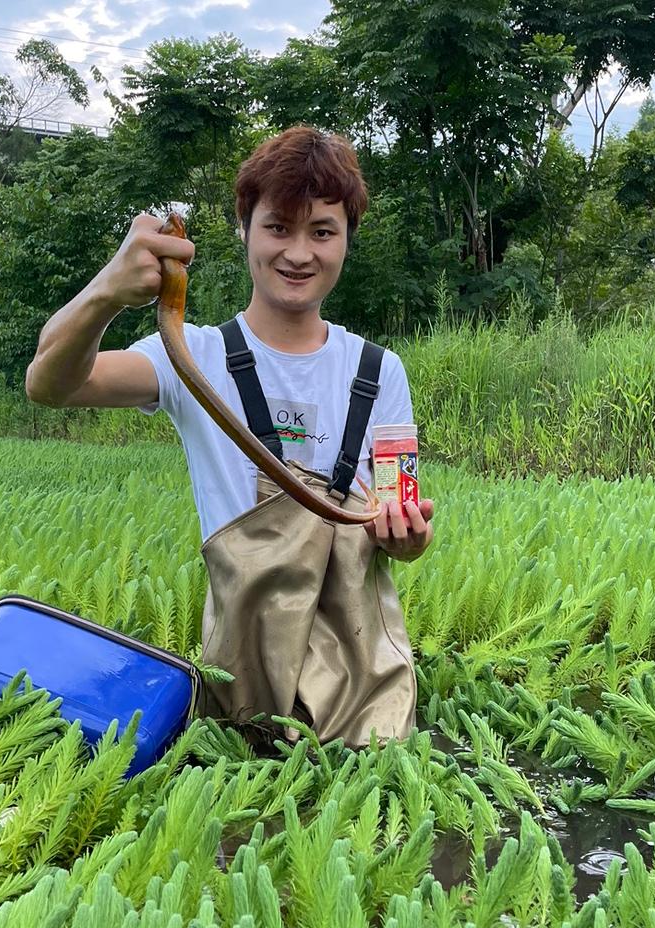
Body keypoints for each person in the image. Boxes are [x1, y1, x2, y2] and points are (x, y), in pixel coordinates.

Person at [26, 125, 434, 747]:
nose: (299, 252)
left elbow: (395, 519)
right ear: (243, 228)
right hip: (241, 683)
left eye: (322, 231)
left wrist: (406, 536)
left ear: (348, 239)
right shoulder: (191, 355)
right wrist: (108, 290)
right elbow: (50, 384)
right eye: (278, 227)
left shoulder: (379, 372)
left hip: (365, 691)